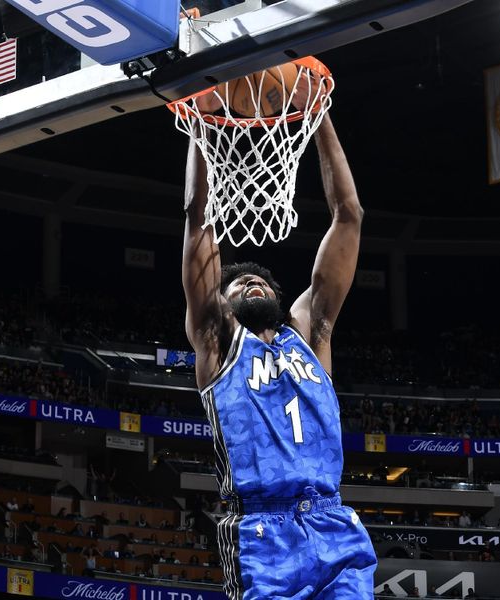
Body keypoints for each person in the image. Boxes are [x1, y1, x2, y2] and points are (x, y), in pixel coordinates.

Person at [182, 114, 376, 599]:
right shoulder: (218, 341)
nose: (251, 283)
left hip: (333, 521)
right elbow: (197, 216)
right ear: (222, 305)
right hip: (262, 532)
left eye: (261, 282)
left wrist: (319, 114)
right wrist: (201, 126)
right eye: (237, 284)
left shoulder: (311, 336)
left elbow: (349, 214)